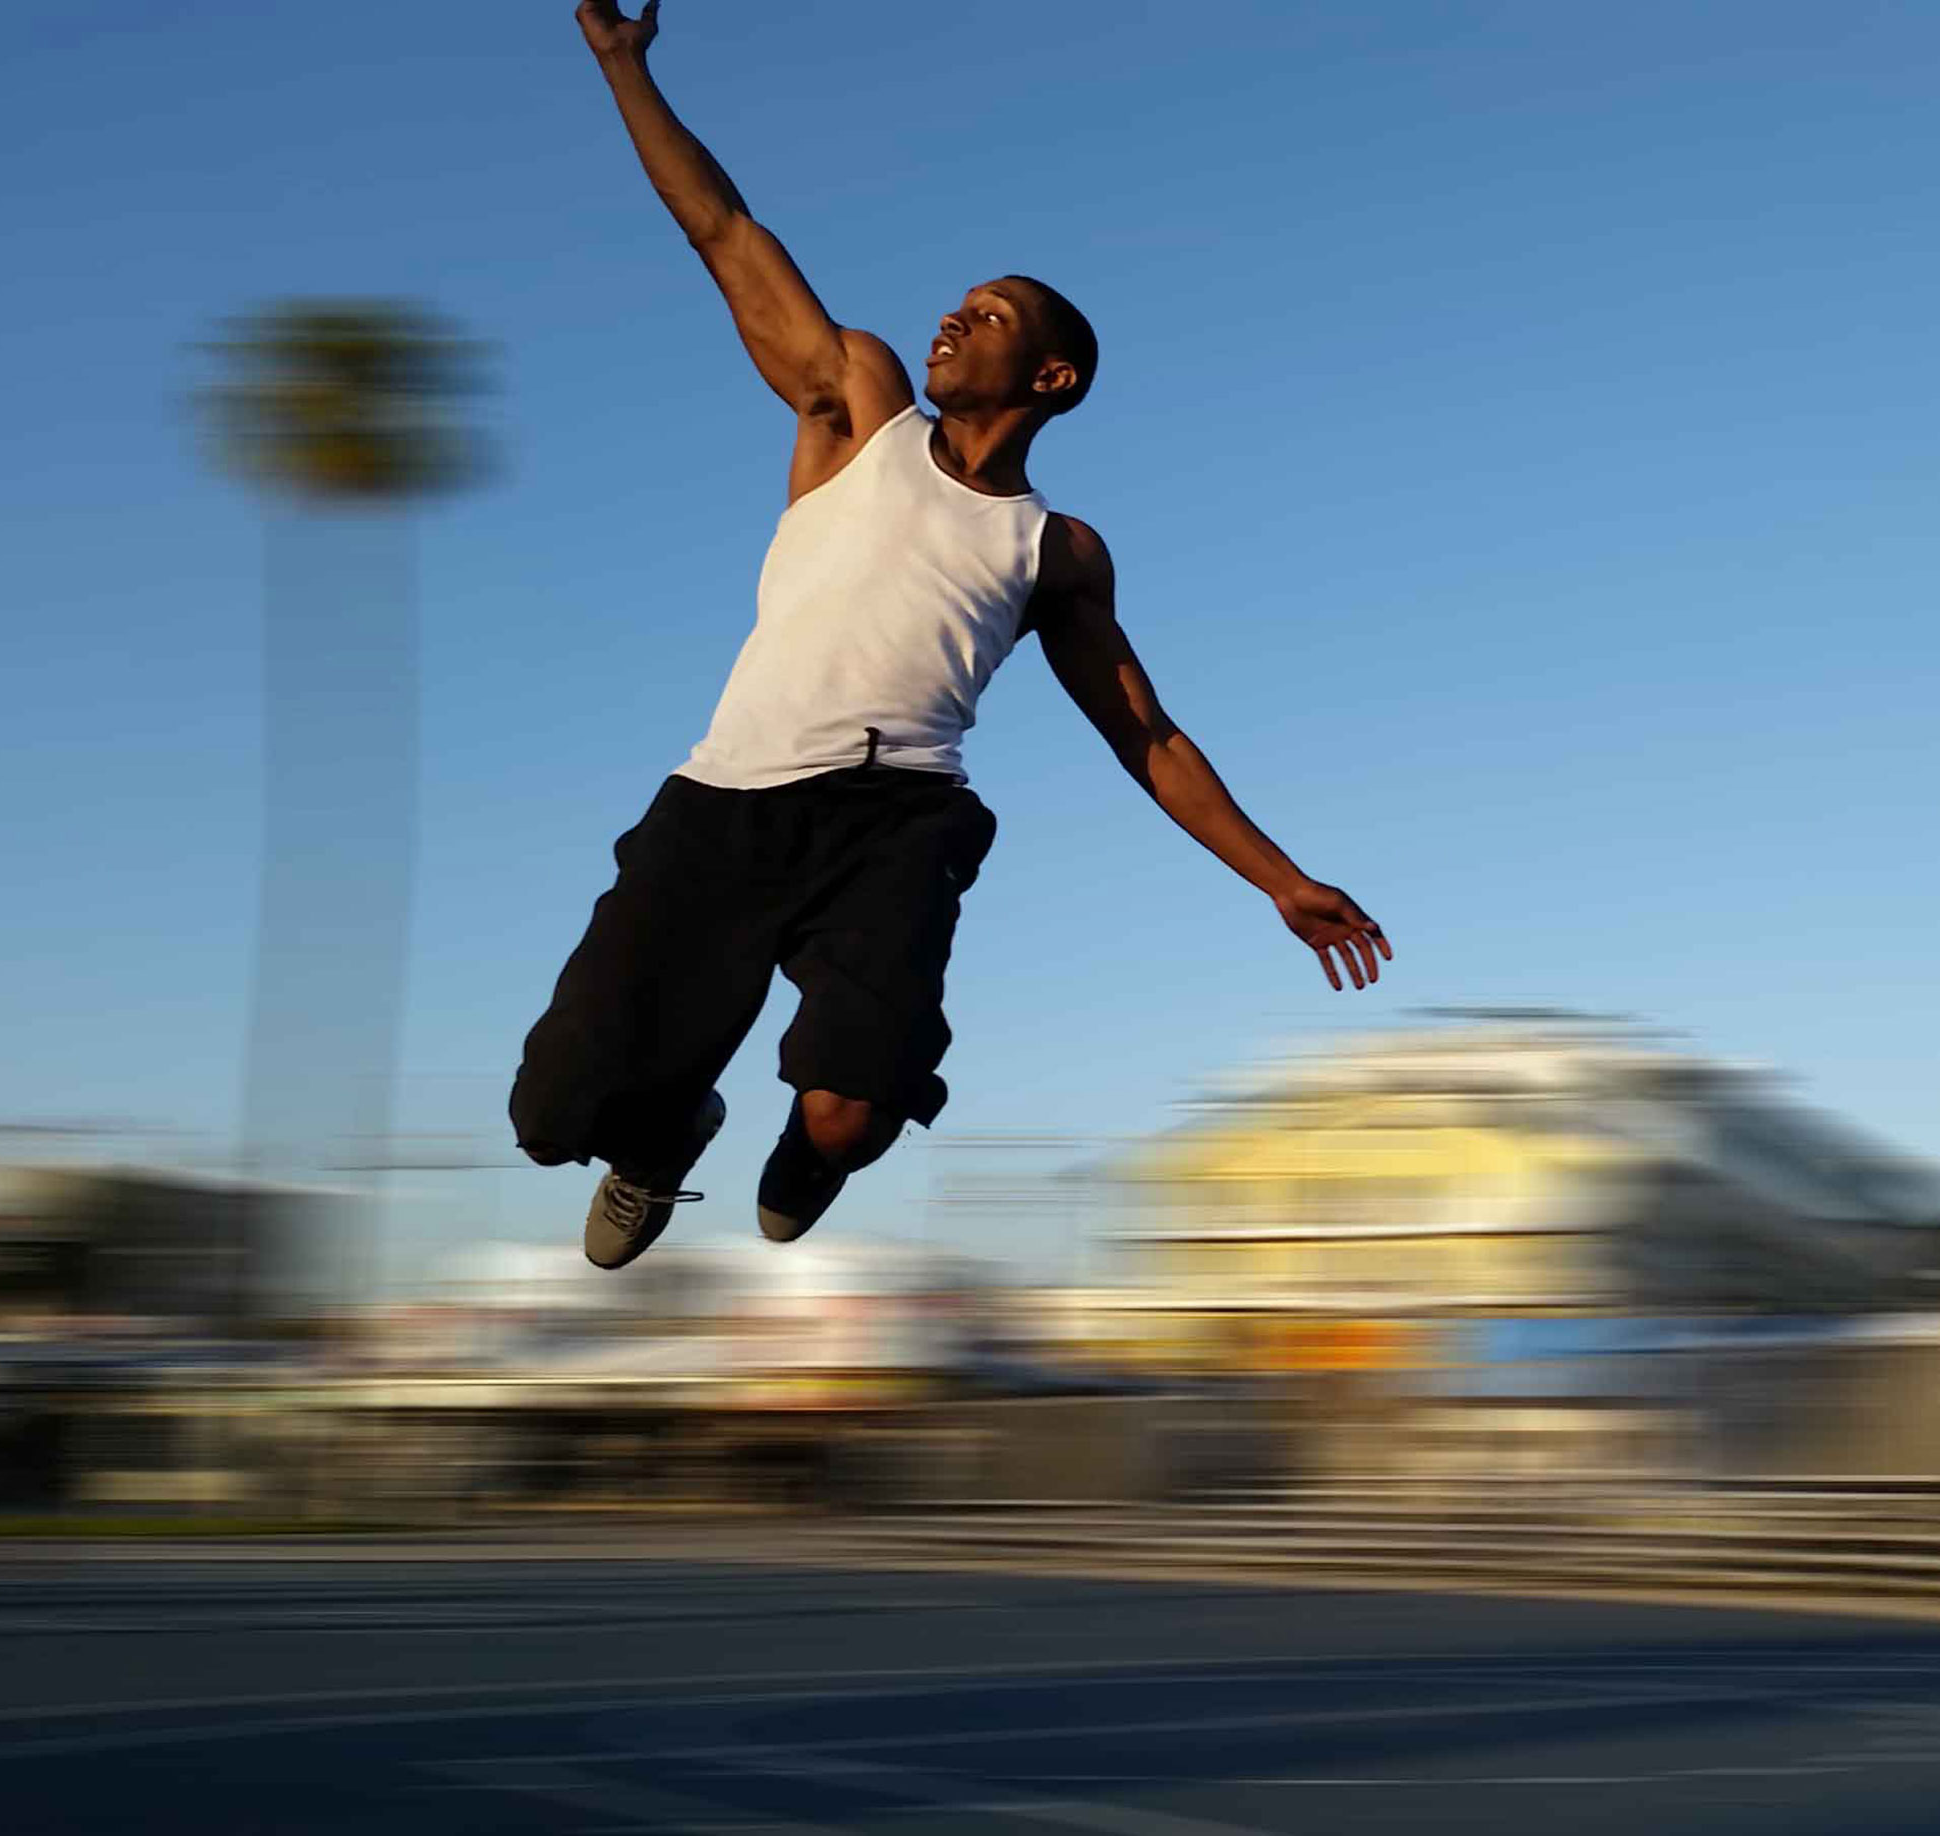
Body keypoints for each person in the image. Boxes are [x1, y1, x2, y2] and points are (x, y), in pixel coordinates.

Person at [514, 0, 1391, 1270]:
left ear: (1054, 380)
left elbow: (1145, 734)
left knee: (855, 1108)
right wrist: (622, 69)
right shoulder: (855, 406)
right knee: (554, 1117)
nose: (953, 318)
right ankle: (664, 1137)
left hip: (896, 815)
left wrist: (1281, 879)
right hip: (722, 801)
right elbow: (722, 231)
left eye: (989, 315)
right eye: (956, 304)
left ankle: (812, 1150)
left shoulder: (1058, 551)